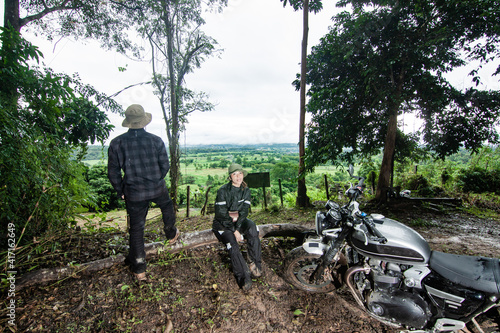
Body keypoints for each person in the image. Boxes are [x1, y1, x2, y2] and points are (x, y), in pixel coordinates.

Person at [108, 104, 179, 281]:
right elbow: (165, 165)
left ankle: (139, 268)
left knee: (137, 228)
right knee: (167, 205)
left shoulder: (117, 143)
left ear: (129, 123)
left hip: (133, 192)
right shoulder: (155, 140)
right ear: (144, 122)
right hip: (156, 188)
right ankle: (171, 233)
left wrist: (120, 190)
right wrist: (155, 179)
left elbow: (113, 171)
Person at [212, 163, 262, 291]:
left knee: (252, 228)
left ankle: (255, 265)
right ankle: (243, 278)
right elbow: (221, 214)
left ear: (243, 175)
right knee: (232, 243)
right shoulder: (222, 191)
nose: (238, 176)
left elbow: (244, 211)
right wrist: (234, 231)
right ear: (230, 177)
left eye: (240, 173)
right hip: (223, 223)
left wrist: (238, 228)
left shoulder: (246, 190)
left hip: (238, 221)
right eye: (234, 174)